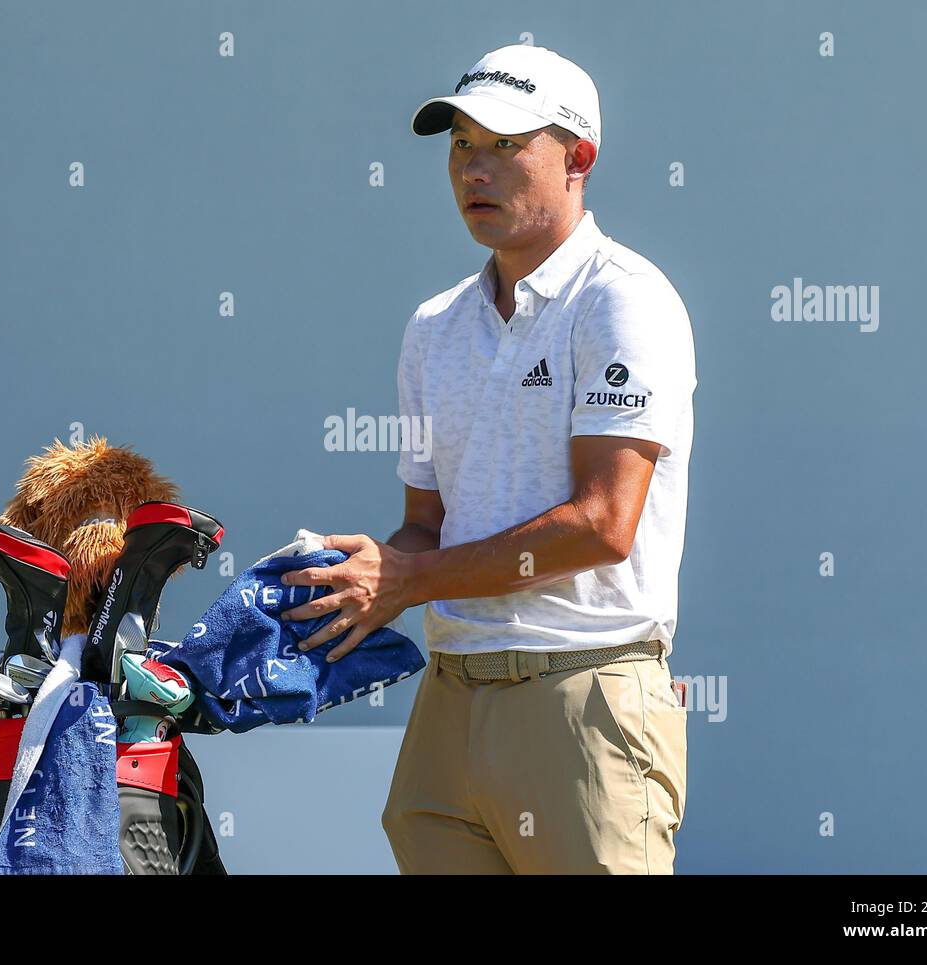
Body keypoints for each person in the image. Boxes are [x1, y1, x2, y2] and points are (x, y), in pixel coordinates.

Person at [278, 43, 696, 874]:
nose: (475, 166)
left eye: (507, 144)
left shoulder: (624, 298)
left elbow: (603, 527)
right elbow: (428, 527)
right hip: (449, 705)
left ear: (578, 158)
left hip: (585, 700)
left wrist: (410, 579)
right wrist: (362, 580)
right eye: (462, 143)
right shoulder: (434, 326)